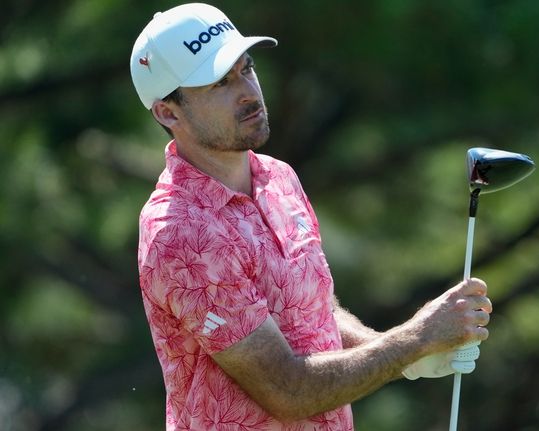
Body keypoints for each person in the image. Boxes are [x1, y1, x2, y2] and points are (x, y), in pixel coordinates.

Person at [131, 3, 493, 430]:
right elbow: (286, 390)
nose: (248, 91)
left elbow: (311, 311)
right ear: (168, 112)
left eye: (247, 69)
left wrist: (402, 355)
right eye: (219, 84)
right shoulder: (181, 232)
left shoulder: (279, 178)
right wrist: (411, 341)